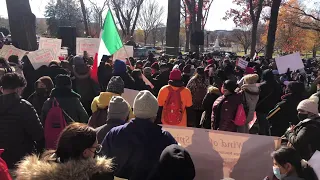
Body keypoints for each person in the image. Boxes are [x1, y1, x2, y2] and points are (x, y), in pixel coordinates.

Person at [101, 90, 177, 180]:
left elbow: (101, 164)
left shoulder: (114, 133)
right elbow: (175, 168)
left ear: (134, 111)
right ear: (155, 115)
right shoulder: (166, 138)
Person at [15, 123, 114, 180]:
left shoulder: (34, 175)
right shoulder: (99, 176)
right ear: (85, 152)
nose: (96, 153)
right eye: (96, 148)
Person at [0, 73, 44, 169]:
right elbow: (38, 134)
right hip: (21, 161)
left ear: (1, 89)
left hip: (1, 161)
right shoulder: (25, 106)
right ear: (18, 89)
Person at [255, 69, 282, 135]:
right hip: (273, 108)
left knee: (262, 126)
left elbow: (258, 97)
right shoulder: (277, 85)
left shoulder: (261, 86)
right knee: (269, 126)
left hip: (261, 108)